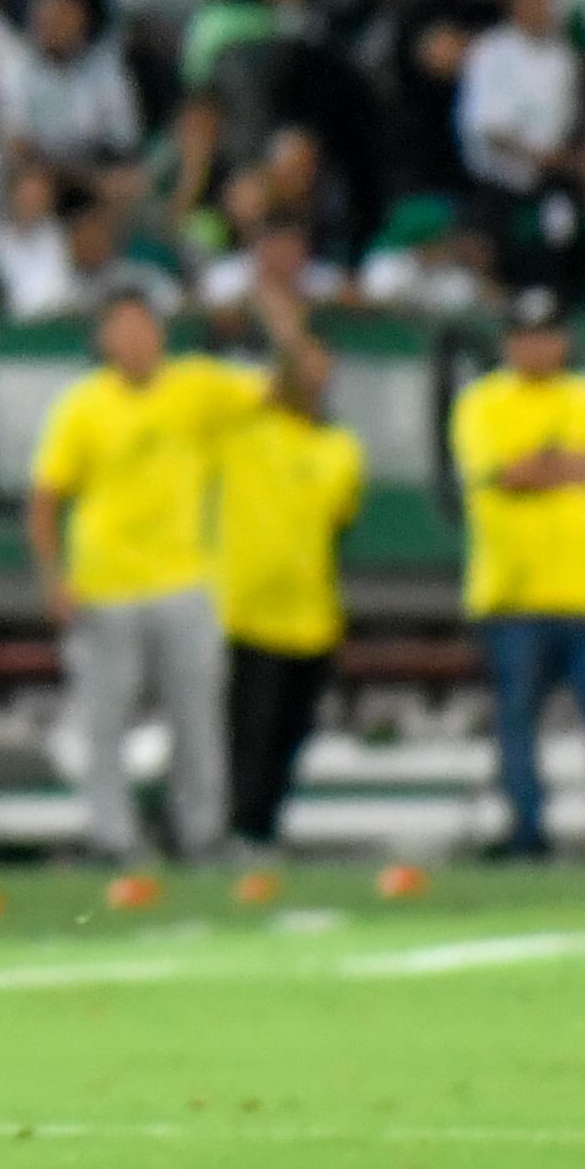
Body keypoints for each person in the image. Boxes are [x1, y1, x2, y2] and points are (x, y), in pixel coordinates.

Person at [27, 285, 316, 867]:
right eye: (122, 327)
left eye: (143, 325)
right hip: (106, 585)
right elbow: (45, 499)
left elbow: (291, 393)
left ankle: (202, 835)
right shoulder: (82, 406)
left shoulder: (197, 388)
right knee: (105, 723)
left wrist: (287, 335)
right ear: (105, 339)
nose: (134, 339)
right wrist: (54, 577)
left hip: (183, 580)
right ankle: (113, 839)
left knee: (198, 720)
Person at [452, 292, 585, 860]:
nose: (536, 346)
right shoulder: (483, 400)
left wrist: (548, 465)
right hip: (514, 593)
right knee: (517, 722)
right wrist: (579, 466)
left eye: (546, 334)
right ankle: (525, 829)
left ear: (563, 341)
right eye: (525, 335)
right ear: (508, 342)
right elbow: (507, 474)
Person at [209, 318, 358, 856]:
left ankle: (264, 830)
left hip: (311, 613)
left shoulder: (340, 448)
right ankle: (237, 828)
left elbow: (337, 526)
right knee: (247, 731)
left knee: (292, 731)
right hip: (248, 612)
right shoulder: (242, 432)